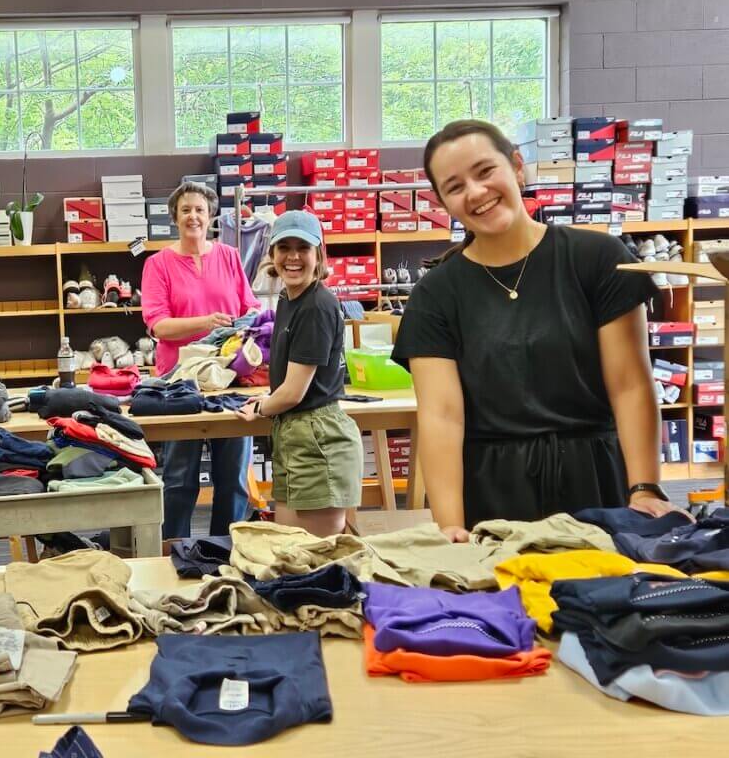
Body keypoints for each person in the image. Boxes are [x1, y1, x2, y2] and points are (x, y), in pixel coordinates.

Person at [391, 119, 688, 542]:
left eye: (484, 171)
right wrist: (450, 526)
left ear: (516, 166)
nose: (475, 192)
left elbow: (630, 385)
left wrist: (644, 489)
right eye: (455, 187)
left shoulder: (598, 259)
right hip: (493, 491)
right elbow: (441, 416)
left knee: (603, 598)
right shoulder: (435, 294)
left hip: (598, 483)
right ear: (443, 203)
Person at [141, 181, 260, 538]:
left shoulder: (228, 256)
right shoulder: (158, 264)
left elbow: (250, 307)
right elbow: (159, 325)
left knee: (234, 476)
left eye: (200, 210)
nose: (193, 216)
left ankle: (228, 548)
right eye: (186, 210)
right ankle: (174, 549)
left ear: (210, 217)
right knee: (179, 477)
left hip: (229, 381)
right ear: (175, 218)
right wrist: (207, 322)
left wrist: (248, 324)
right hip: (180, 385)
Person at [235, 210, 362, 536]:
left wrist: (261, 407)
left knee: (315, 555)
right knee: (293, 550)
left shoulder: (317, 306)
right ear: (272, 254)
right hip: (295, 432)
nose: (292, 257)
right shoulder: (289, 298)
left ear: (318, 254)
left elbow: (294, 393)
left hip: (316, 437)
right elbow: (291, 380)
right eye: (284, 247)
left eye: (302, 248)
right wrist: (270, 398)